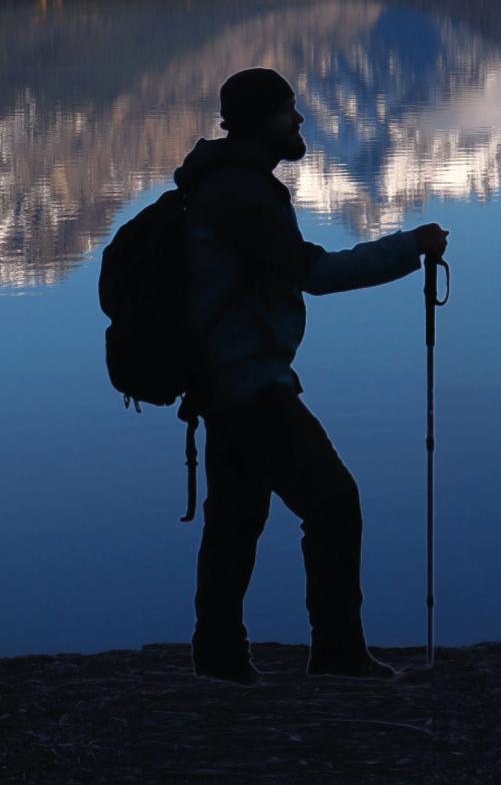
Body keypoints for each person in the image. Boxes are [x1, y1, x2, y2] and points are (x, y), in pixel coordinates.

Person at [174, 67, 448, 683]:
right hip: (248, 384)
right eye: (287, 110)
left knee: (236, 520)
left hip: (227, 380)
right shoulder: (241, 195)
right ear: (257, 122)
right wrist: (411, 249)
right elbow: (314, 274)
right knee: (332, 502)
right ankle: (336, 653)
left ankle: (219, 659)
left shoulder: (229, 186)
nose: (298, 120)